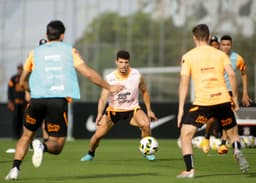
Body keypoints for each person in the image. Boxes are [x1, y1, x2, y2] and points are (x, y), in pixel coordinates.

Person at [5, 20, 123, 181]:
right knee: (58, 145)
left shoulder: (35, 52)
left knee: (26, 136)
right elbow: (87, 73)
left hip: (36, 100)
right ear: (62, 35)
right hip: (57, 101)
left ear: (46, 35)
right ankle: (43, 146)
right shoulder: (70, 51)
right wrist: (109, 87)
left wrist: (28, 90)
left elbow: (23, 79)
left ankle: (14, 169)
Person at [177, 24, 249, 178]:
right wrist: (234, 98)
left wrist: (181, 109)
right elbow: (232, 74)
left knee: (186, 135)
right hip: (223, 99)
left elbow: (184, 83)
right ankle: (236, 149)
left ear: (194, 38)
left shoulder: (188, 56)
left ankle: (190, 170)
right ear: (209, 38)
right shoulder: (220, 54)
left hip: (203, 103)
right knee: (233, 133)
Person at [80, 50, 158, 162]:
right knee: (98, 136)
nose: (123, 65)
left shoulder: (137, 75)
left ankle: (146, 151)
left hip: (132, 109)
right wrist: (99, 114)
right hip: (113, 111)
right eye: (121, 62)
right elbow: (102, 99)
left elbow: (145, 91)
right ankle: (90, 153)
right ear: (116, 62)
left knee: (146, 124)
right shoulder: (110, 78)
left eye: (126, 62)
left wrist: (149, 110)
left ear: (129, 62)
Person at [201, 35, 252, 154]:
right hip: (215, 91)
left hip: (229, 93)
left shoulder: (237, 58)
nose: (226, 47)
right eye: (223, 45)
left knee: (227, 118)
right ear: (220, 45)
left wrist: (244, 92)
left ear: (231, 45)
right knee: (211, 118)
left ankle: (223, 144)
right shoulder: (214, 56)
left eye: (228, 45)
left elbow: (244, 73)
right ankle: (207, 137)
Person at [7, 64, 27, 139]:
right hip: (16, 103)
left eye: (21, 68)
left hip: (24, 103)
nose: (20, 70)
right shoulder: (13, 78)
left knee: (23, 120)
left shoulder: (25, 77)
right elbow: (10, 90)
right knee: (16, 119)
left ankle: (23, 135)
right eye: (19, 68)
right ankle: (15, 135)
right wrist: (10, 101)